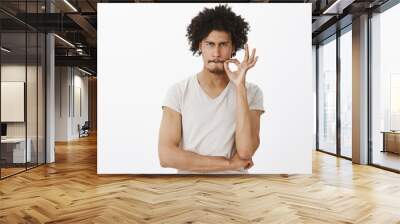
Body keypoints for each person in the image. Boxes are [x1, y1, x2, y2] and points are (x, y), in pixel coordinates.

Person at [158, 4, 264, 174]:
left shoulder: (252, 92)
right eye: (210, 44)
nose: (216, 53)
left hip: (235, 190)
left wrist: (240, 88)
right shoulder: (178, 92)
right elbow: (166, 156)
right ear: (200, 46)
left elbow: (245, 152)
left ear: (232, 48)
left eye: (223, 44)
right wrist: (229, 164)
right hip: (190, 191)